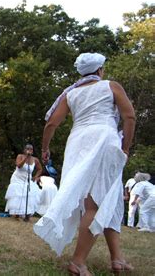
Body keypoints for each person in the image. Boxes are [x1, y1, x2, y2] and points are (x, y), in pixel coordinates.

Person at [33, 53, 136, 275]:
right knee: (95, 203)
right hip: (104, 138)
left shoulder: (71, 94)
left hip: (78, 142)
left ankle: (117, 258)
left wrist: (45, 149)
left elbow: (51, 123)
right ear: (100, 70)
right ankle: (78, 262)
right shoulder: (111, 86)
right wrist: (125, 147)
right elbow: (129, 117)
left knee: (110, 196)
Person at [4, 144, 43, 221]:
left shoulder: (35, 159)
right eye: (28, 149)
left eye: (31, 149)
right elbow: (19, 165)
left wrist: (35, 176)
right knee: (18, 195)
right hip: (17, 179)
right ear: (24, 150)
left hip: (27, 180)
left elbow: (40, 169)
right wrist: (26, 158)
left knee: (30, 195)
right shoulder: (20, 156)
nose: (29, 150)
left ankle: (27, 215)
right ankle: (17, 214)